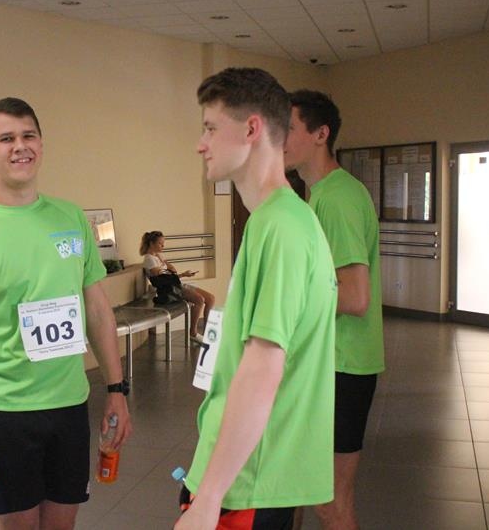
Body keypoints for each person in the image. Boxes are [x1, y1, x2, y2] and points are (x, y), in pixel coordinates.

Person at [0, 97, 132, 530]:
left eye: (28, 136)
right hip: (5, 412)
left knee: (62, 524)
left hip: (69, 405)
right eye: (6, 138)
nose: (20, 146)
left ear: (41, 143)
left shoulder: (71, 219)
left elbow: (97, 310)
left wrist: (117, 389)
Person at [175, 68, 337, 530]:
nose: (201, 144)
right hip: (249, 473)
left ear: (251, 129)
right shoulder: (276, 220)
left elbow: (263, 368)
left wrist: (209, 498)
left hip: (247, 481)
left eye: (210, 128)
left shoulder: (280, 227)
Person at [284, 89, 385, 530]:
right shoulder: (319, 195)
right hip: (327, 364)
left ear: (320, 134)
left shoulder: (337, 199)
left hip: (342, 366)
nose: (278, 139)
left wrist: (286, 300)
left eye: (288, 128)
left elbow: (355, 297)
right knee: (299, 490)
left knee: (329, 502)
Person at [139, 230, 215, 340]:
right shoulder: (149, 259)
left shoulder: (158, 257)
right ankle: (193, 333)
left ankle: (207, 332)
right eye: (160, 243)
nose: (163, 246)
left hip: (175, 284)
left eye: (163, 243)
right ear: (151, 243)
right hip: (169, 289)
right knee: (199, 300)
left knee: (211, 298)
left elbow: (172, 271)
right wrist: (174, 272)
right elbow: (162, 276)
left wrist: (179, 273)